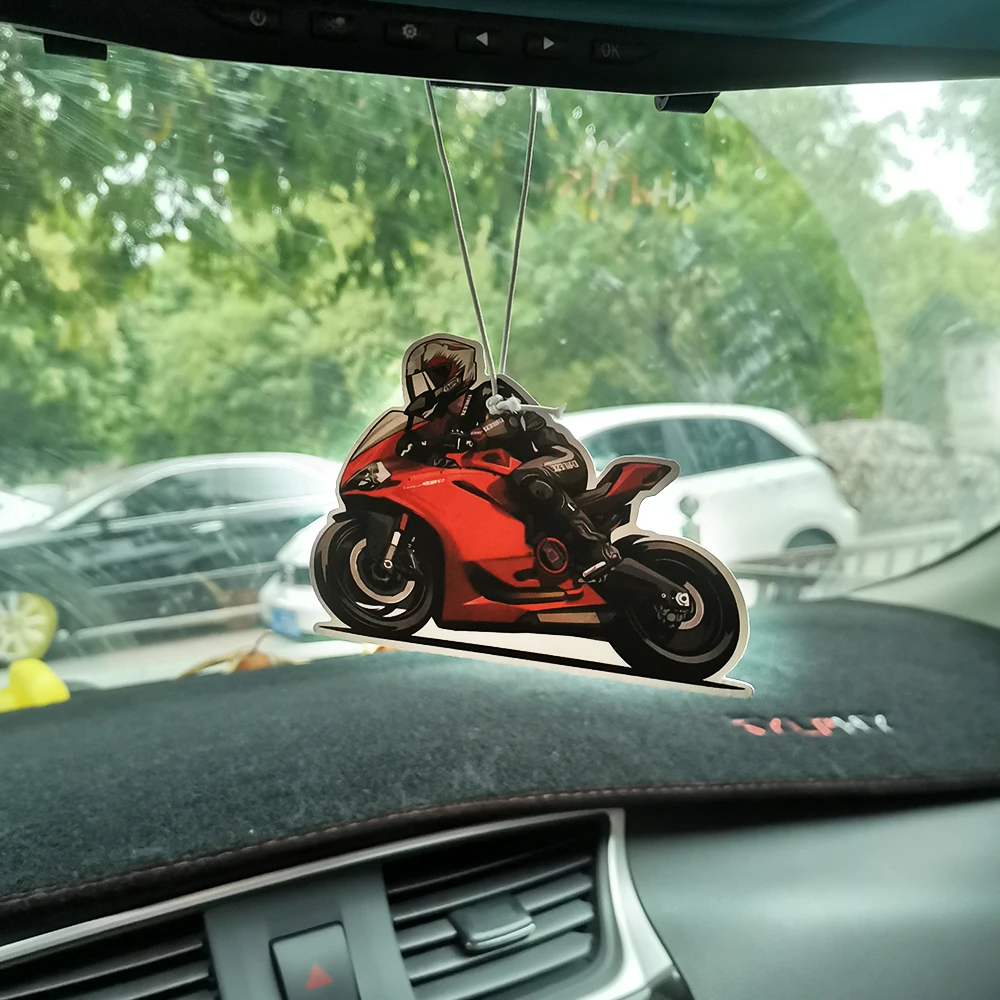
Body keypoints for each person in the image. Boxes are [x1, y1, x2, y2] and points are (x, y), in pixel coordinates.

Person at [397, 337, 620, 581]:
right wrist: (411, 445)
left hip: (558, 457)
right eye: (423, 379)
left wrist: (480, 432)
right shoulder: (448, 419)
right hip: (506, 476)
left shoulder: (492, 391)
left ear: (455, 369)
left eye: (433, 376)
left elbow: (512, 420)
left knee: (527, 477)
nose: (427, 386)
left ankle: (595, 549)